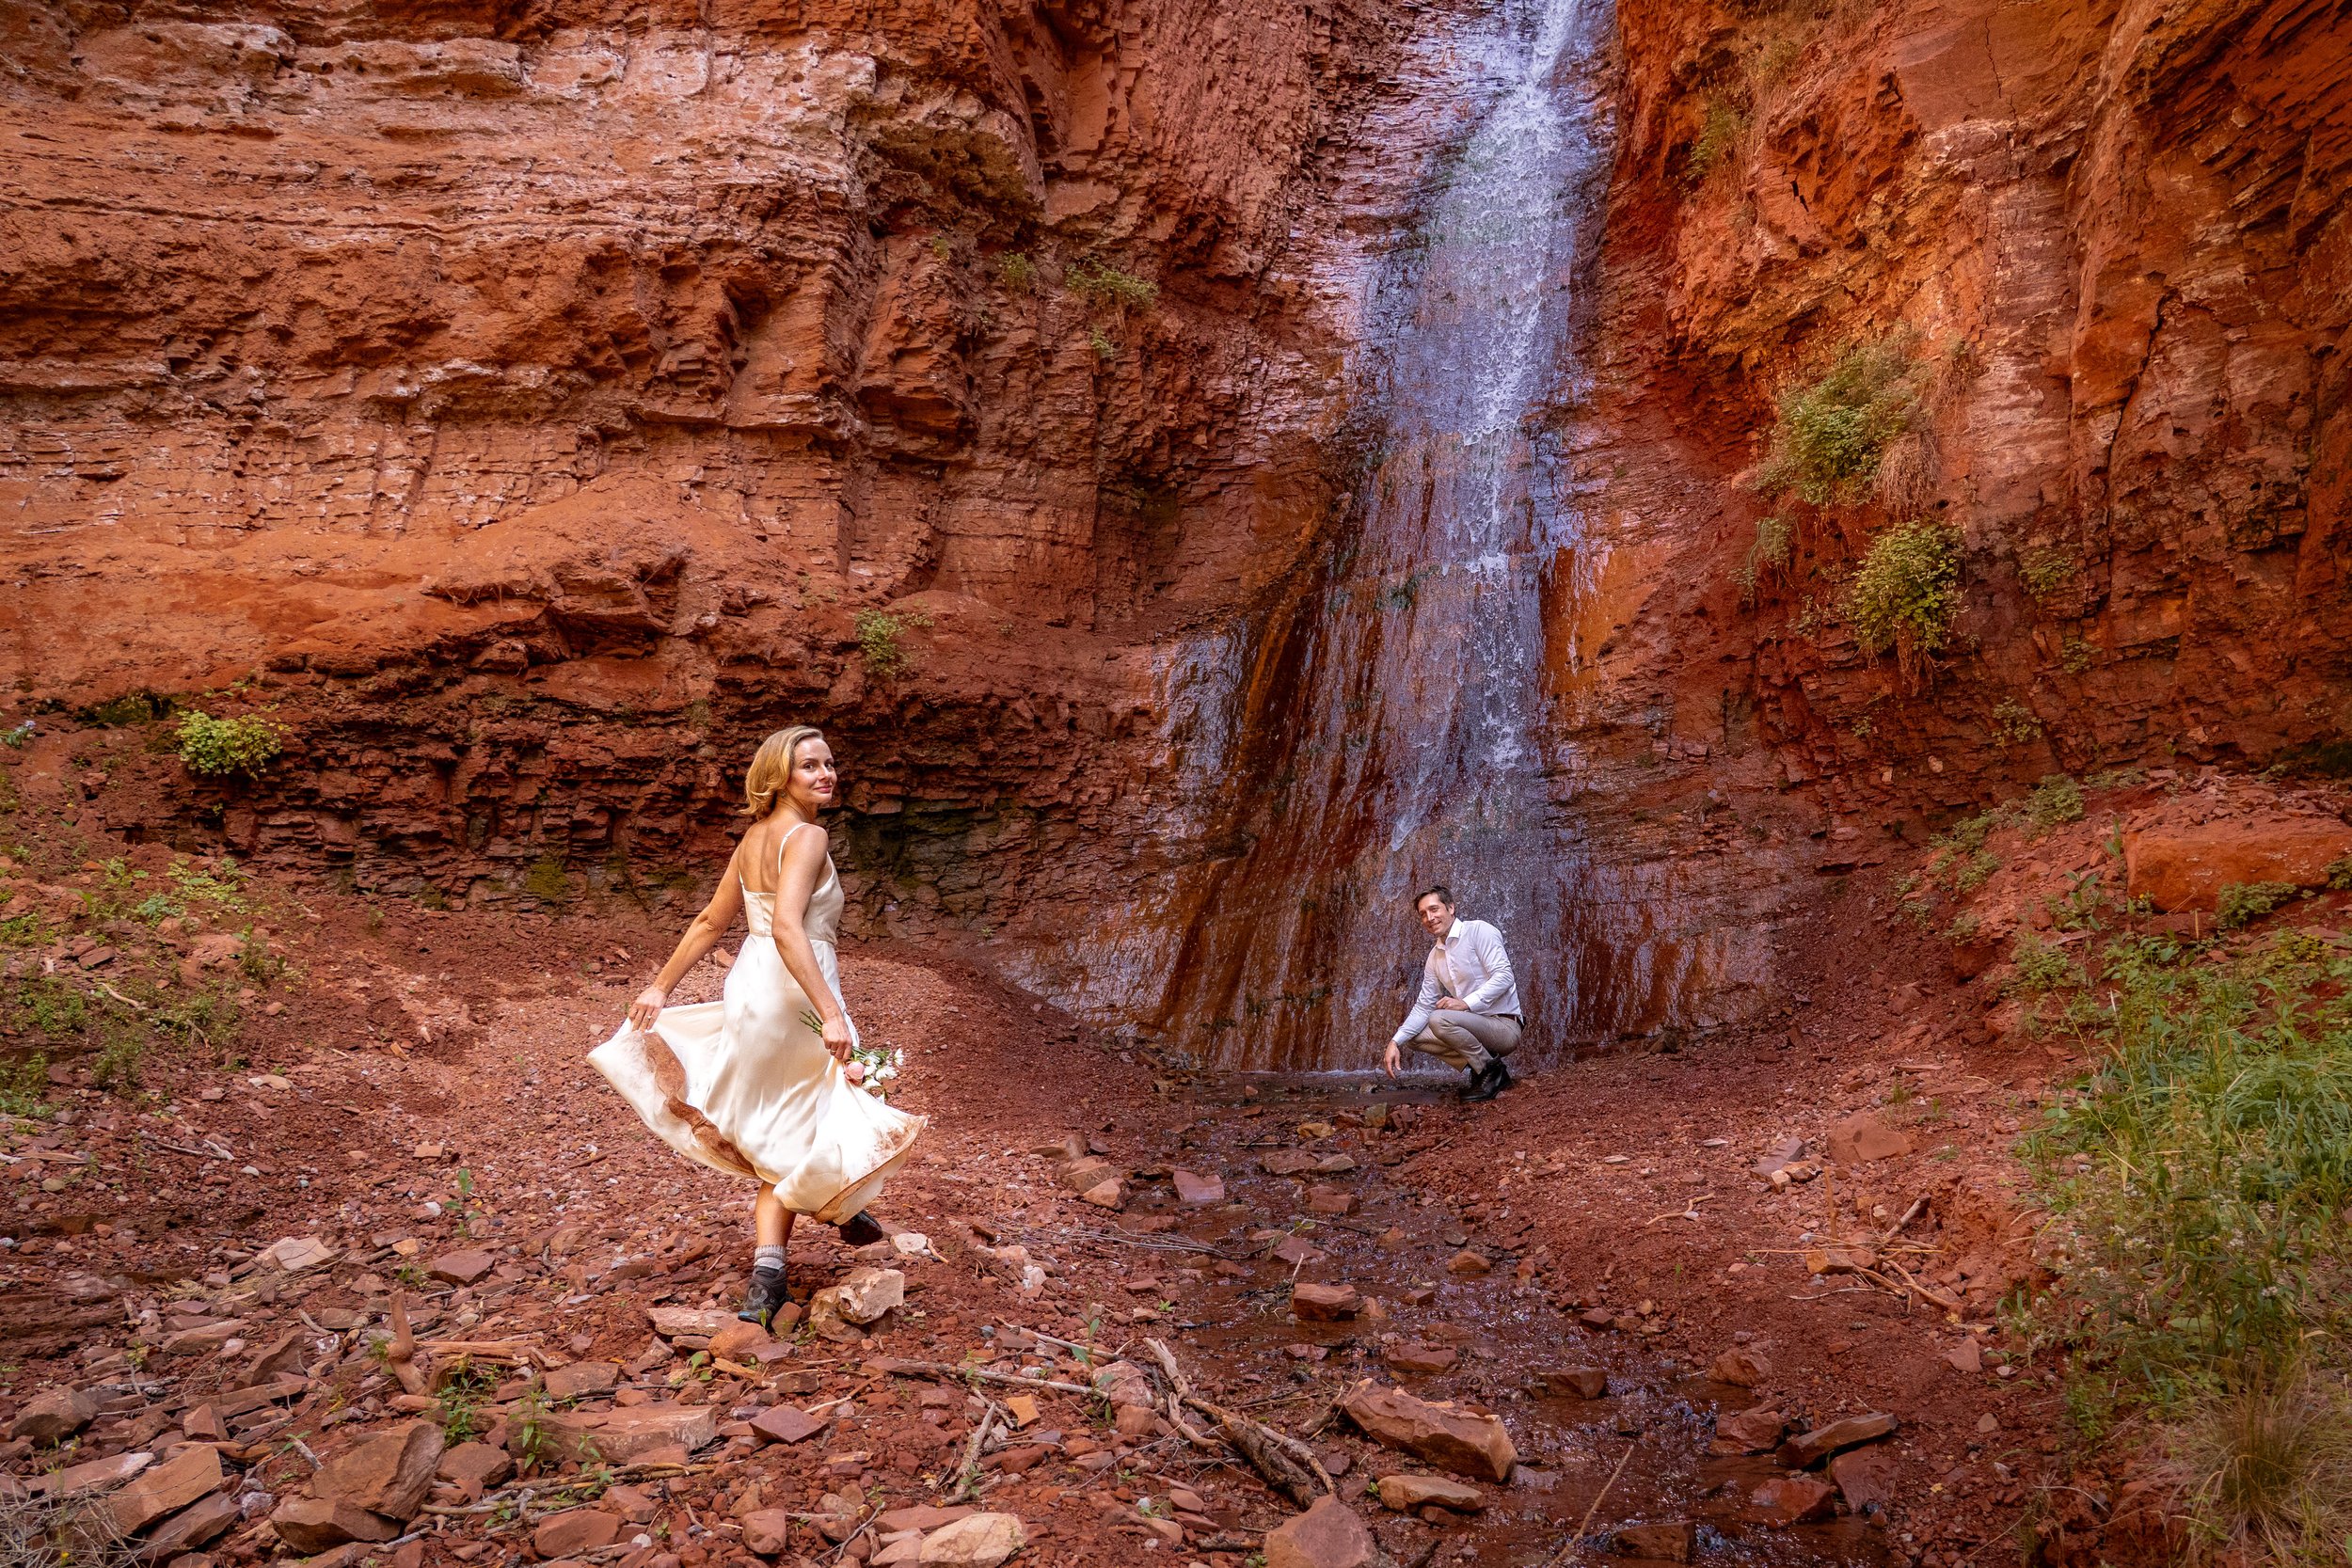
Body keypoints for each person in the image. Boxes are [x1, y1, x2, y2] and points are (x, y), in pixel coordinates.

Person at [590, 725, 925, 1325]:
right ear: (779, 777)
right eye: (810, 767)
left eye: (829, 763)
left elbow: (709, 922)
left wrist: (660, 985)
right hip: (792, 988)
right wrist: (828, 1011)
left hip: (750, 984)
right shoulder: (810, 836)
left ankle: (780, 1265)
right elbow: (790, 928)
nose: (826, 774)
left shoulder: (751, 840)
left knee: (780, 1113)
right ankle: (826, 1219)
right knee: (811, 1106)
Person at [1381, 884, 1522, 1101]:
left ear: (1451, 908)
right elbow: (1423, 1005)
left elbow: (1504, 977)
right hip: (1473, 1027)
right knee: (1412, 1037)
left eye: (1434, 909)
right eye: (1423, 914)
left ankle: (1491, 1072)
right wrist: (1395, 1042)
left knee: (1439, 1019)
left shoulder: (1478, 931)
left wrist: (1465, 1003)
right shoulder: (1434, 957)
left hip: (1504, 1026)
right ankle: (1483, 1066)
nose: (1430, 918)